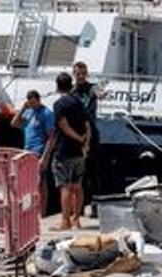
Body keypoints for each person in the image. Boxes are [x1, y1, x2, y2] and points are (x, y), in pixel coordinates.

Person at [49, 72, 91, 229]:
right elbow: (87, 125)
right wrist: (85, 142)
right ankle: (77, 220)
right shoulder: (78, 102)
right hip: (79, 151)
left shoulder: (59, 104)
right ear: (71, 84)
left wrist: (78, 138)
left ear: (57, 85)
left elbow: (63, 125)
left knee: (65, 186)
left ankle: (64, 221)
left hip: (64, 150)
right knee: (78, 186)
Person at [12, 90, 56, 213]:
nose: (32, 105)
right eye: (29, 103)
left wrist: (45, 157)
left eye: (33, 102)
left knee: (41, 181)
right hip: (28, 151)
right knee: (28, 183)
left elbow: (52, 136)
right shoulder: (30, 112)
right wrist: (23, 108)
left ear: (38, 100)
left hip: (40, 150)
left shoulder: (46, 113)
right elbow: (14, 123)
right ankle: (32, 210)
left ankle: (42, 211)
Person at [71, 62, 99, 212]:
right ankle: (78, 206)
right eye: (78, 74)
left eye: (83, 73)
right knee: (77, 170)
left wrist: (100, 94)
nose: (81, 76)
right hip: (76, 134)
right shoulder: (72, 91)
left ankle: (94, 202)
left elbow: (98, 92)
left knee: (92, 170)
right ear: (74, 74)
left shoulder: (91, 88)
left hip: (91, 133)